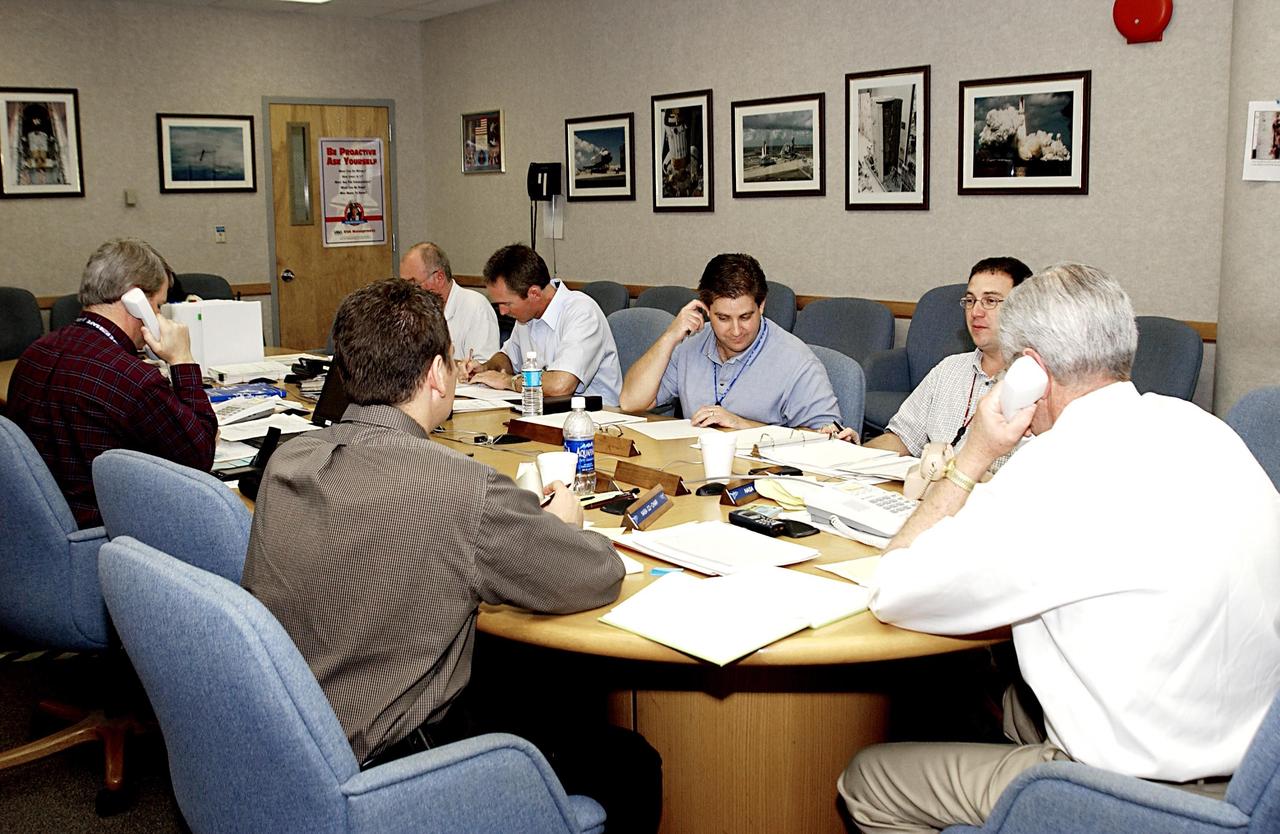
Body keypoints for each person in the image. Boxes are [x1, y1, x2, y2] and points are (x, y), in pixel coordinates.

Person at [838, 262, 1280, 833]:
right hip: (1251, 768)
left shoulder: (1049, 471)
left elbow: (893, 589)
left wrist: (972, 456)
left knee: (870, 780)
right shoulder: (1209, 429)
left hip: (1129, 789)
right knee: (1005, 691)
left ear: (1030, 372)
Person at [242, 278, 659, 831]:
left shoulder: (291, 457)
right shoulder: (461, 488)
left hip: (294, 731)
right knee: (631, 763)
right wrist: (561, 523)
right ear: (439, 374)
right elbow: (596, 575)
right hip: (389, 758)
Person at [6, 238, 217, 528]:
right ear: (136, 301)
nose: (159, 317)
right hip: (111, 536)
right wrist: (182, 359)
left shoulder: (35, 353)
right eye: (158, 306)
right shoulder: (132, 379)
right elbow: (200, 456)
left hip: (41, 533)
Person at [851, 257, 1032, 471]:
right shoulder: (948, 369)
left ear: (1022, 308)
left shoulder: (1040, 383)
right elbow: (901, 439)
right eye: (970, 301)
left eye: (990, 301)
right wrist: (851, 456)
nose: (976, 312)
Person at [619, 253, 839, 429]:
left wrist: (741, 424)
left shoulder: (796, 361)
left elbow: (823, 440)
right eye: (723, 318)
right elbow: (631, 403)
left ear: (761, 306)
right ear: (706, 310)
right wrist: (670, 337)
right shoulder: (691, 344)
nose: (736, 331)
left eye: (745, 317)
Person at [464, 243, 622, 405]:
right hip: (544, 412)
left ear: (534, 293)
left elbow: (560, 386)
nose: (503, 312)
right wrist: (485, 369)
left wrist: (507, 381)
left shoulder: (582, 312)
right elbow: (508, 359)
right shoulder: (526, 315)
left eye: (507, 304)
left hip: (596, 418)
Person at [399, 240, 499, 361]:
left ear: (439, 278)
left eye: (413, 284)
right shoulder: (412, 310)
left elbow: (483, 368)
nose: (408, 291)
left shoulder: (476, 307)